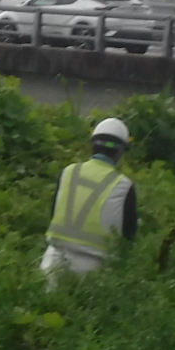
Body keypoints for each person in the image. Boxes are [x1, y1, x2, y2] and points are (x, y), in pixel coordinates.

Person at [39, 117, 137, 281]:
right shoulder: (124, 186)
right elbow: (129, 236)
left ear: (91, 145)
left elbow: (54, 212)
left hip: (53, 261)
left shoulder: (69, 172)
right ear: (121, 152)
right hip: (95, 271)